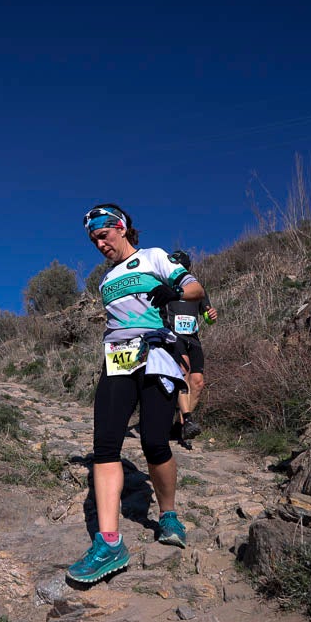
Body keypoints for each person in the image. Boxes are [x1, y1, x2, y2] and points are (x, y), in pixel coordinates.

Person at [67, 203, 207, 584]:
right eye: (93, 240)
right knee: (105, 446)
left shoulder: (154, 257)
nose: (100, 244)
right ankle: (109, 543)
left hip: (157, 354)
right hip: (117, 359)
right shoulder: (104, 281)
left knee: (154, 442)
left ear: (122, 227)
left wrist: (173, 290)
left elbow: (195, 289)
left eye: (103, 235)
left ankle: (168, 514)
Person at [162, 251, 217, 443]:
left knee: (198, 383)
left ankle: (181, 425)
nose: (179, 271)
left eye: (182, 268)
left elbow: (207, 315)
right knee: (182, 374)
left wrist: (211, 316)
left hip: (193, 339)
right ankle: (188, 420)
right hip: (174, 336)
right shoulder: (165, 287)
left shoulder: (197, 288)